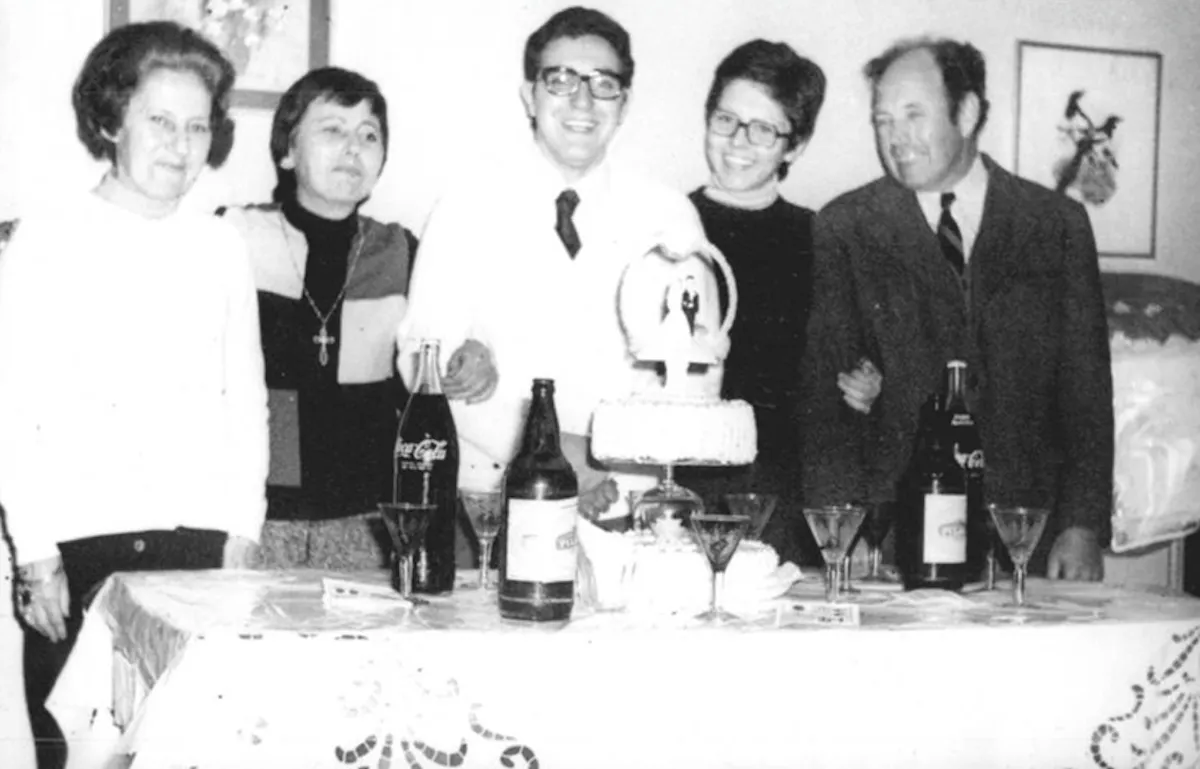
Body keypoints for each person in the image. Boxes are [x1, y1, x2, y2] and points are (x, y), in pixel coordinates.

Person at [0, 21, 268, 768]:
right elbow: (13, 406)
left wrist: (242, 531)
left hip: (199, 552)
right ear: (112, 119)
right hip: (81, 553)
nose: (181, 145)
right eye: (159, 121)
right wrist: (35, 553)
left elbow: (246, 400)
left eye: (197, 126)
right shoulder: (46, 239)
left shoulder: (220, 245)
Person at [798, 37, 1113, 580]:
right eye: (882, 121)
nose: (895, 138)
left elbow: (1086, 391)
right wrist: (839, 534)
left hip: (1026, 535)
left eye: (913, 115)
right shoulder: (846, 226)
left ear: (966, 113)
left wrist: (1082, 525)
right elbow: (826, 404)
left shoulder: (1055, 224)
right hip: (891, 541)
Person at [397, 6, 720, 515]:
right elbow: (423, 359)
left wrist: (604, 463)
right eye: (561, 80)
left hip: (627, 500)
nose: (582, 101)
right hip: (491, 497)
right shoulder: (467, 205)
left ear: (625, 103)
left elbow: (696, 378)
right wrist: (549, 452)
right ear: (530, 95)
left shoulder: (668, 216)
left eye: (603, 84)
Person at [677, 39, 871, 567]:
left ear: (794, 146)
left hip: (783, 499)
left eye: (763, 129)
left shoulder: (820, 238)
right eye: (726, 120)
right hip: (679, 492)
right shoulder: (668, 225)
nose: (738, 142)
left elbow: (839, 381)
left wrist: (867, 380)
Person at [218, 67, 417, 569]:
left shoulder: (399, 251)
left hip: (367, 519)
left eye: (369, 135)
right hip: (256, 516)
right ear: (287, 151)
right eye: (332, 130)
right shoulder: (235, 235)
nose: (353, 148)